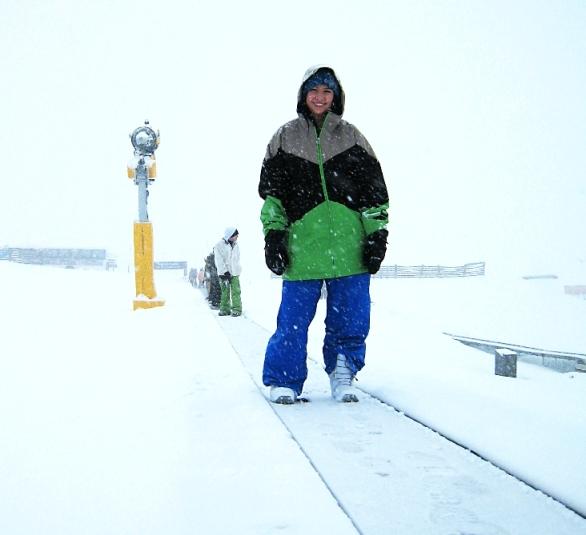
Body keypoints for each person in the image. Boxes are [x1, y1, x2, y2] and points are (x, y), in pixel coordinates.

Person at [258, 65, 389, 404]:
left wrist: (377, 235)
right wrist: (274, 236)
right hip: (304, 248)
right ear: (304, 94)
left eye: (327, 91)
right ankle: (285, 379)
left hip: (350, 247)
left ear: (336, 96)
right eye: (314, 90)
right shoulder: (285, 137)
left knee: (352, 317)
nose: (320, 97)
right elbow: (272, 197)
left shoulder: (353, 137)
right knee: (292, 321)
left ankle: (343, 372)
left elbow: (374, 194)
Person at [213, 227, 242, 317]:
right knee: (225, 291)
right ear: (230, 235)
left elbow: (236, 259)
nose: (237, 237)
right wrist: (225, 272)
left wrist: (237, 269)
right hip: (224, 273)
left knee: (236, 291)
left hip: (235, 272)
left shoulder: (236, 245)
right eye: (236, 235)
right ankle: (225, 309)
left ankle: (237, 309)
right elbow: (218, 260)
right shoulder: (219, 245)